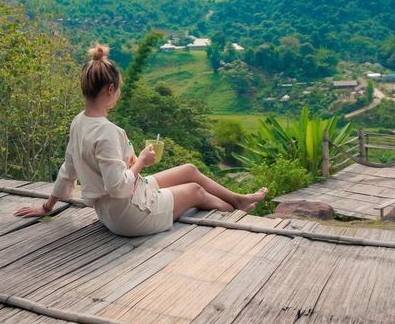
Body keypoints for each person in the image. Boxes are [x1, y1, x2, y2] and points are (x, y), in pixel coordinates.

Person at [14, 44, 268, 237]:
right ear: (110, 89)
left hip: (111, 209)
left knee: (189, 170)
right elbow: (117, 187)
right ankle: (237, 214)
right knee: (194, 191)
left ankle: (238, 198)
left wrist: (47, 207)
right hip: (129, 215)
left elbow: (67, 171)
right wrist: (142, 163)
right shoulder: (107, 131)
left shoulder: (78, 122)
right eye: (119, 89)